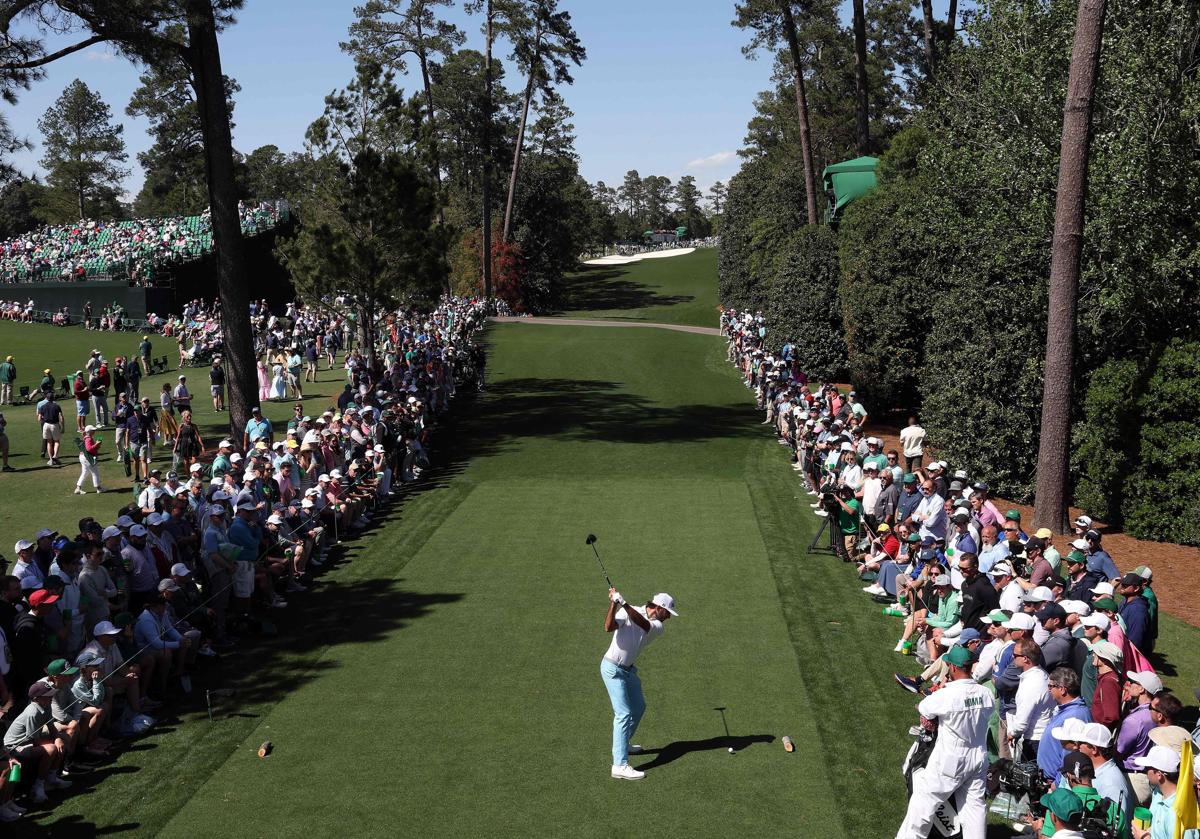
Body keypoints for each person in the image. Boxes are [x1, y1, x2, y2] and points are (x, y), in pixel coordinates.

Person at [895, 644, 994, 839]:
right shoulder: (986, 693)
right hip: (979, 757)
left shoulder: (946, 695)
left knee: (923, 805)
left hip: (951, 758)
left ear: (954, 668)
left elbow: (924, 710)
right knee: (975, 809)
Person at [600, 588, 678, 781]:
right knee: (624, 713)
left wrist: (623, 603)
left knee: (639, 707)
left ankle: (623, 743)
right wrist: (613, 603)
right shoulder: (629, 610)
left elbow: (642, 623)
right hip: (611, 669)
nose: (668, 617)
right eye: (668, 612)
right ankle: (619, 765)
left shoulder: (657, 625)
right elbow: (608, 627)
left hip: (627, 671)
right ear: (659, 608)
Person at [1037, 667, 1092, 782]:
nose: (1049, 690)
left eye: (1051, 686)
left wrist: (1057, 783)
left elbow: (1071, 755)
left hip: (1057, 783)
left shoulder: (1075, 715)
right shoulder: (1065, 710)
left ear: (1062, 689)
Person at [1131, 745, 1183, 839]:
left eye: (1147, 768)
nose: (1145, 771)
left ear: (1159, 775)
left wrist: (1143, 838)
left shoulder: (1176, 814)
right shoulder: (1159, 793)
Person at [74, 424, 103, 495]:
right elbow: (89, 449)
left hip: (83, 457)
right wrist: (96, 444)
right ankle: (98, 488)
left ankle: (78, 488)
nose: (94, 431)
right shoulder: (88, 439)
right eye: (93, 430)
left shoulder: (86, 437)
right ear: (89, 431)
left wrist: (97, 445)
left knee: (85, 472)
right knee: (95, 472)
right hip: (87, 458)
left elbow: (92, 448)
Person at [38, 392, 64, 466]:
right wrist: (62, 427)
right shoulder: (56, 406)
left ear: (46, 398)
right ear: (53, 398)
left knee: (49, 442)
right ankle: (55, 455)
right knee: (57, 441)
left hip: (46, 425)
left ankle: (51, 459)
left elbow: (39, 418)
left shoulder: (42, 406)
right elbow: (61, 417)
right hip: (54, 425)